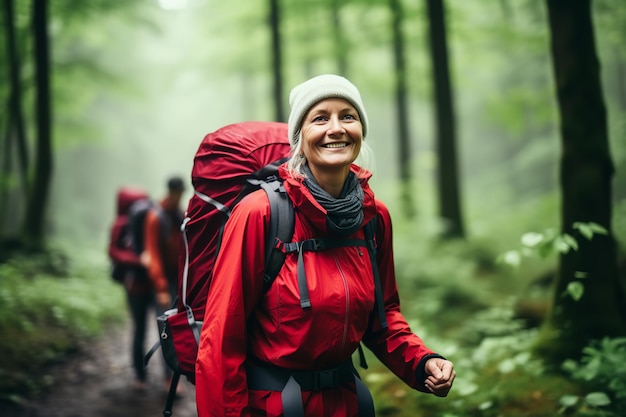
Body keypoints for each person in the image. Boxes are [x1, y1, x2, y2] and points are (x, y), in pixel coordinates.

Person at [195, 74, 455, 416]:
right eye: (320, 118)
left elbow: (383, 317)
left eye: (348, 116)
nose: (337, 128)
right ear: (299, 137)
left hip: (347, 403)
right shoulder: (260, 214)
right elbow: (221, 338)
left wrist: (422, 362)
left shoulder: (373, 217)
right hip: (273, 405)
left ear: (361, 129)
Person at [107, 187, 156, 391]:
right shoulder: (122, 225)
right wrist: (138, 261)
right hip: (136, 284)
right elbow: (113, 251)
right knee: (140, 330)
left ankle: (164, 377)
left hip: (153, 282)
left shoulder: (151, 220)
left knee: (161, 329)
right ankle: (140, 375)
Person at [142, 176, 186, 388]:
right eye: (177, 193)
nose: (179, 197)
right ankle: (169, 378)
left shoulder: (179, 214)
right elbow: (153, 253)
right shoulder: (156, 217)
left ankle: (176, 374)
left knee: (179, 326)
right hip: (163, 280)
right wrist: (160, 287)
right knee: (166, 329)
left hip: (177, 279)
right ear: (171, 191)